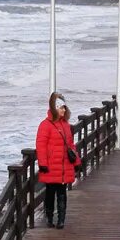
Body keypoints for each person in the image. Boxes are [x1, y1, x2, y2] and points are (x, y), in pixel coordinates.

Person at [35, 92, 82, 229]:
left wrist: (77, 161)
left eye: (64, 108)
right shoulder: (45, 125)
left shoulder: (66, 125)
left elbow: (71, 146)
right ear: (55, 108)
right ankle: (49, 218)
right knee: (50, 193)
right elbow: (41, 145)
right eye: (61, 107)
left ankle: (61, 219)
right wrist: (43, 164)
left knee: (62, 193)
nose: (63, 110)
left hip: (64, 165)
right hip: (50, 166)